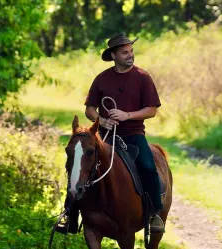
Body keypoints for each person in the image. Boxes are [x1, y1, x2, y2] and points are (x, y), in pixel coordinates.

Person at [57, 33, 165, 234]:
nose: (130, 55)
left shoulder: (143, 77)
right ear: (114, 55)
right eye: (125, 53)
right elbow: (90, 109)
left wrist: (127, 115)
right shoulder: (102, 79)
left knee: (148, 167)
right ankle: (69, 214)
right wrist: (102, 120)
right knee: (78, 165)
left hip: (133, 134)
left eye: (131, 51)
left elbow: (151, 110)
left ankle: (154, 214)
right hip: (105, 135)